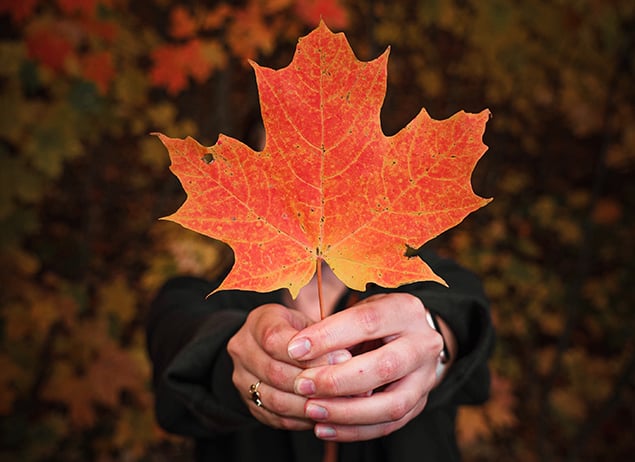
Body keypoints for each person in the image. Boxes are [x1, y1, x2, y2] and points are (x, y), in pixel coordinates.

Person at [146, 246, 494, 462]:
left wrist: (433, 341)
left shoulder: (431, 279)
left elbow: (463, 320)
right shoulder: (200, 297)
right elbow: (183, 345)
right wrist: (240, 364)